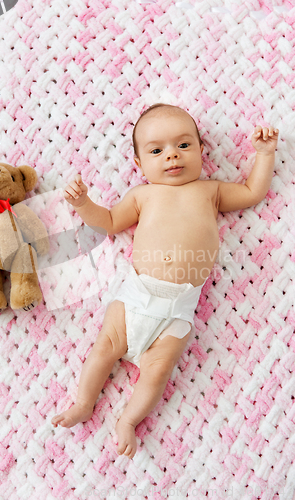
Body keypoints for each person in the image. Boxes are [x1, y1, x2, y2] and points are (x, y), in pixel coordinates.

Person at [51, 104, 279, 459]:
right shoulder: (144, 195)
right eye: (156, 150)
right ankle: (83, 402)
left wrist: (264, 154)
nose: (172, 154)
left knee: (157, 373)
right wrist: (83, 204)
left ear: (203, 151)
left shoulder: (211, 190)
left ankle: (128, 419)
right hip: (136, 296)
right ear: (139, 164)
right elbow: (109, 223)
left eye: (183, 145)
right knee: (104, 349)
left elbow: (252, 192)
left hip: (178, 308)